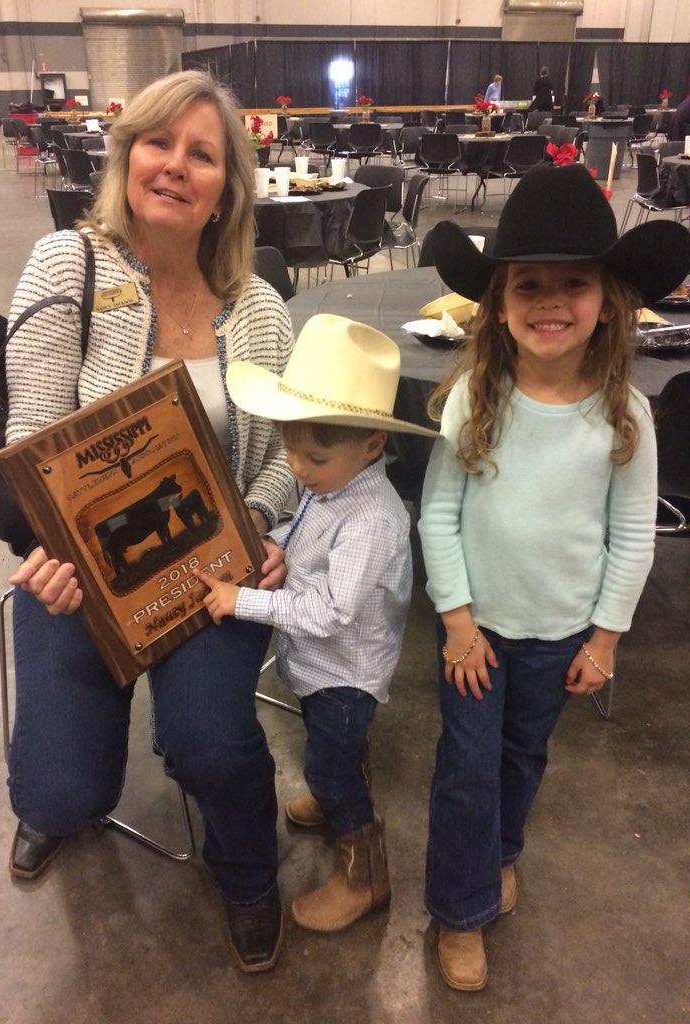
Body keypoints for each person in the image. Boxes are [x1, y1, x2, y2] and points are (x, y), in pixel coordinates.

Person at [4, 69, 296, 974]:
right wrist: (49, 552)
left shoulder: (258, 311)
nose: (174, 165)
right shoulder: (70, 263)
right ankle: (60, 793)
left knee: (209, 744)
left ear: (227, 191)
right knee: (58, 792)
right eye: (156, 143)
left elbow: (290, 449)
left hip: (207, 576)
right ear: (126, 156)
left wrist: (258, 518)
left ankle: (249, 871)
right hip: (80, 573)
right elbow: (32, 429)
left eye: (201, 153)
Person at [417, 163, 690, 992]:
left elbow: (631, 537)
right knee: (466, 771)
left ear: (608, 298)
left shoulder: (624, 415)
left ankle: (500, 854)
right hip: (476, 632)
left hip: (561, 632)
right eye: (527, 283)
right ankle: (460, 910)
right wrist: (457, 621)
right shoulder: (475, 397)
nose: (548, 300)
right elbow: (437, 516)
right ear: (497, 301)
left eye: (572, 283)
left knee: (522, 757)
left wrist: (604, 638)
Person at [197, 313, 438, 933]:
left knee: (330, 763)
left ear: (372, 444)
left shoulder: (372, 518)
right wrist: (278, 540)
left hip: (344, 675)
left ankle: (366, 873)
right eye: (290, 450)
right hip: (318, 669)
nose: (298, 469)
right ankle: (335, 799)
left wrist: (240, 600)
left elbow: (332, 612)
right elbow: (306, 529)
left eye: (315, 456)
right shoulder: (331, 483)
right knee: (332, 751)